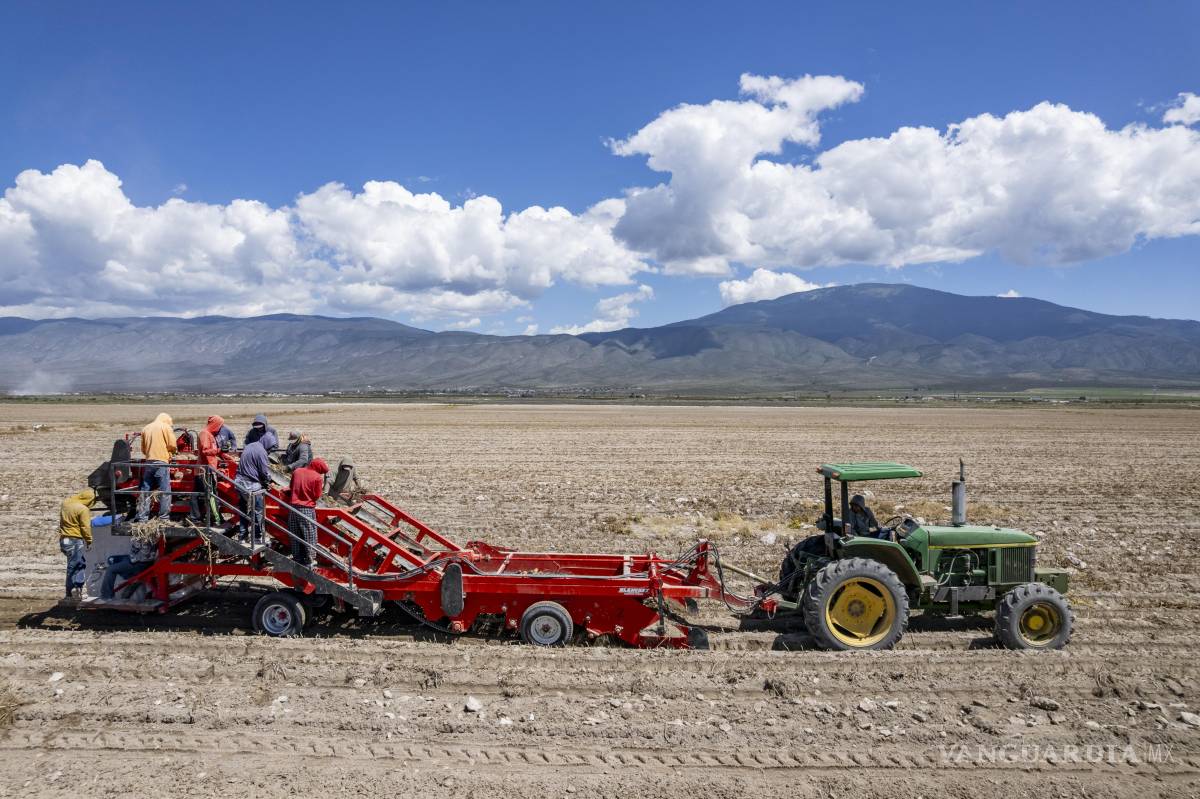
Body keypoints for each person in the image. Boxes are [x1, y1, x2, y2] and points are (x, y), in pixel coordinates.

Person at [234, 429, 276, 544]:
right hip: (251, 485)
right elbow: (264, 471)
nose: (269, 450)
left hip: (239, 482)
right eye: (270, 447)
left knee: (243, 510)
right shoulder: (261, 452)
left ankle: (242, 537)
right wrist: (269, 482)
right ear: (267, 443)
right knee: (258, 511)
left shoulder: (250, 446)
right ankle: (257, 537)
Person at [133, 413, 176, 522]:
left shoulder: (146, 428)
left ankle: (142, 517)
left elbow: (143, 449)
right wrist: (172, 452)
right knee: (165, 490)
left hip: (149, 462)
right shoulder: (165, 427)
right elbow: (172, 445)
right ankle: (164, 518)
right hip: (161, 461)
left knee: (145, 490)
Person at [286, 457, 329, 567]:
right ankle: (310, 559)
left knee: (295, 534)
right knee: (309, 534)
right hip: (306, 509)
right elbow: (316, 496)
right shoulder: (317, 478)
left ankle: (297, 558)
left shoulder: (297, 471)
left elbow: (291, 487)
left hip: (293, 507)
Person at [59, 489, 97, 598]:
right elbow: (85, 527)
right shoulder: (82, 509)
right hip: (75, 539)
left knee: (72, 565)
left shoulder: (66, 503)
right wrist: (89, 540)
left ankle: (73, 591)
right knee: (77, 565)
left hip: (64, 539)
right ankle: (72, 592)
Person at [100, 533, 160, 600]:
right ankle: (129, 575)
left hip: (139, 564)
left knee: (110, 569)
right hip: (134, 559)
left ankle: (106, 596)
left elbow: (144, 557)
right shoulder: (145, 534)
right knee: (111, 559)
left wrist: (132, 558)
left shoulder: (146, 538)